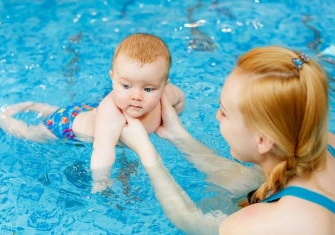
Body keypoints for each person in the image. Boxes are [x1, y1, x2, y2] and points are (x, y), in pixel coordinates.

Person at [119, 46, 335, 234]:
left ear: (262, 140)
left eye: (224, 112)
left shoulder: (266, 222)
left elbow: (191, 221)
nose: (217, 116)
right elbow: (251, 181)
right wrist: (178, 135)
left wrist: (146, 153)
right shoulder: (317, 136)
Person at [0, 33, 185, 191]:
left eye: (148, 89)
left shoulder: (167, 95)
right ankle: (2, 120)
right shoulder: (112, 113)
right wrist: (101, 179)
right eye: (126, 86)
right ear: (112, 79)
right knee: (31, 133)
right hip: (66, 127)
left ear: (164, 85)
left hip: (86, 111)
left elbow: (180, 99)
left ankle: (40, 108)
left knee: (62, 112)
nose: (136, 96)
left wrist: (172, 116)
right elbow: (103, 149)